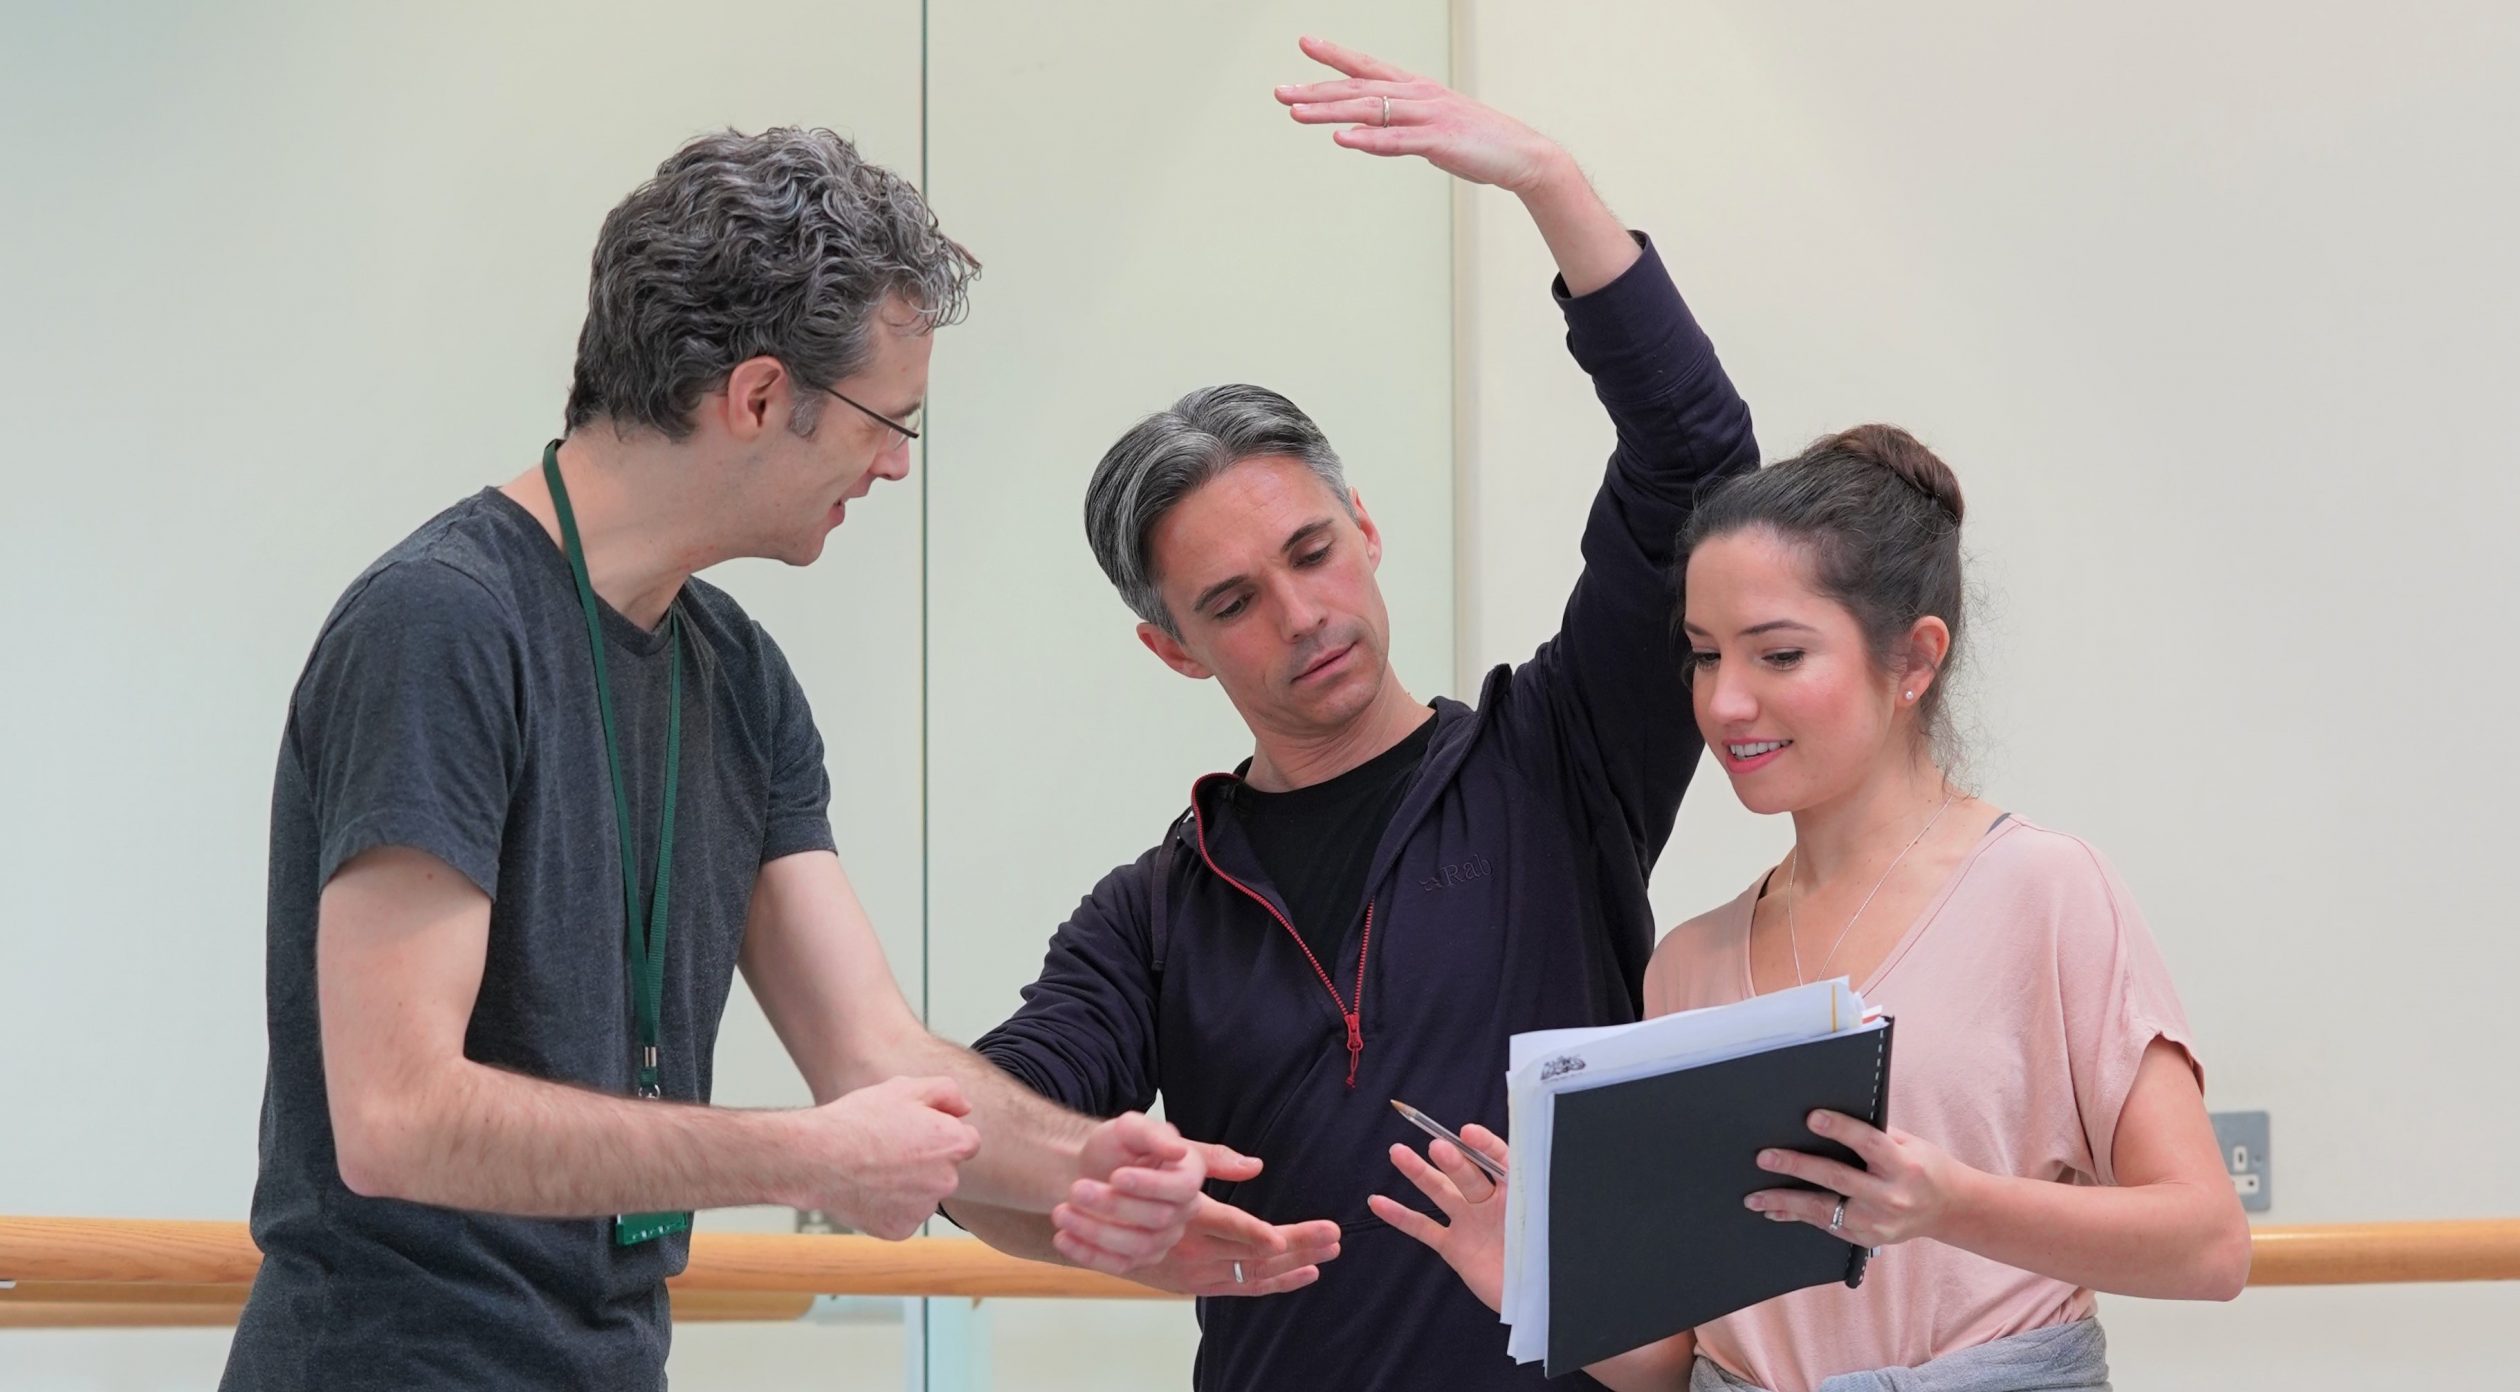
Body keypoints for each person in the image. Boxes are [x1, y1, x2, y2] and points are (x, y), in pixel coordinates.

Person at [222, 127, 1260, 1391]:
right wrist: (804, 1159)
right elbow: (397, 1120)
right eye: (890, 420)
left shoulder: (740, 675)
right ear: (760, 396)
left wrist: (1085, 1169)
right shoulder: (440, 626)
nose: (893, 465)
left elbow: (874, 1055)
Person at [948, 37, 1761, 1392]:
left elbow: (1698, 465)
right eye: (1234, 601)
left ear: (1366, 530)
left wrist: (1549, 182)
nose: (1300, 615)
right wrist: (1086, 1210)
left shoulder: (1560, 760)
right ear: (1171, 647)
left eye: (1312, 553)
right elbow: (990, 1137)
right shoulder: (1154, 917)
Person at [1372, 426, 2252, 1391]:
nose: (1725, 703)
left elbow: (2208, 1246)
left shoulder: (2046, 892)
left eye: (1778, 655)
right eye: (1705, 657)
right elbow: (1676, 1362)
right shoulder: (1690, 965)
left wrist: (1948, 1203)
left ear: (1913, 660)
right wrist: (1540, 1286)